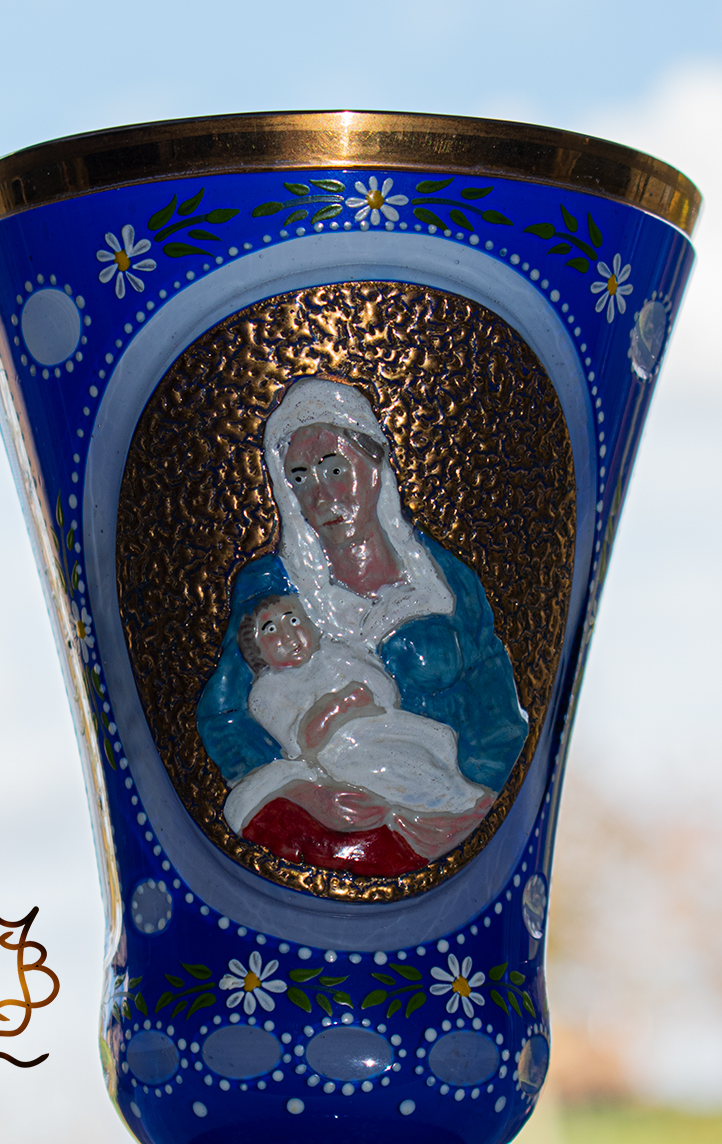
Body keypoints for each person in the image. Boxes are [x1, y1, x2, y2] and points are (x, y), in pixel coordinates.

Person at [196, 376, 527, 877]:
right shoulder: (271, 588)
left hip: (451, 812)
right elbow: (224, 716)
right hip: (330, 819)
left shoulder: (444, 583)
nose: (322, 495)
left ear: (375, 465)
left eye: (335, 469)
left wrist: (473, 800)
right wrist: (304, 791)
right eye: (300, 478)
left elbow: (497, 710)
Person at [221, 592, 493, 861]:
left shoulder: (335, 653)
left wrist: (365, 694)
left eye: (293, 621)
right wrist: (339, 705)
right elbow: (300, 743)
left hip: (381, 724)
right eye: (271, 630)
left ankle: (460, 794)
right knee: (391, 766)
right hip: (339, 750)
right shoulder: (268, 691)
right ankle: (454, 804)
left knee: (440, 738)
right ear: (255, 648)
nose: (289, 635)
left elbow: (384, 691)